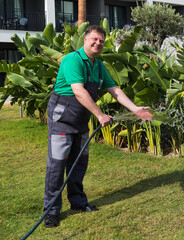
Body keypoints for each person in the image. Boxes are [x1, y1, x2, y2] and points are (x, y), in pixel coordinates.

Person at [43, 25, 152, 228]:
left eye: (101, 41)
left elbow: (114, 90)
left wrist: (135, 109)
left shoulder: (99, 66)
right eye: (94, 39)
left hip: (81, 121)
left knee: (79, 164)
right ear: (85, 40)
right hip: (62, 121)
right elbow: (79, 92)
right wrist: (100, 115)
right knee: (57, 166)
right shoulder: (72, 60)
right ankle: (51, 212)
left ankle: (78, 202)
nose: (98, 43)